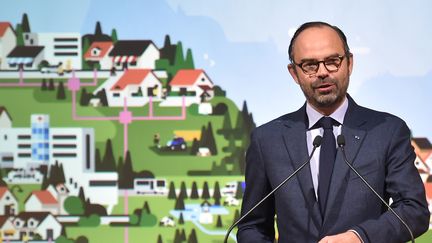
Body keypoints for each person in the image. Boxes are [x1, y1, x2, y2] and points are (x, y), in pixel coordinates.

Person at [237, 21, 429, 243]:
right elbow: (252, 226)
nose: (322, 72)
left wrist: (360, 237)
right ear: (294, 73)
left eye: (332, 61)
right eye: (309, 65)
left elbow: (414, 210)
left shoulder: (387, 131)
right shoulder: (267, 139)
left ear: (349, 62)